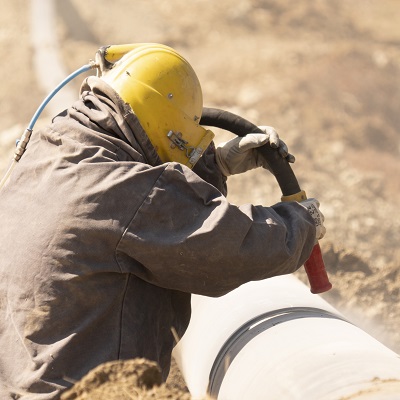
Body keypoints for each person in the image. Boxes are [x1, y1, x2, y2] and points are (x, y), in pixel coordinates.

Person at [0, 43, 325, 399]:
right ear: (165, 124)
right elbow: (230, 246)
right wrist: (301, 222)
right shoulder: (126, 190)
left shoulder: (49, 149)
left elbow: (146, 214)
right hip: (83, 392)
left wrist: (215, 165)